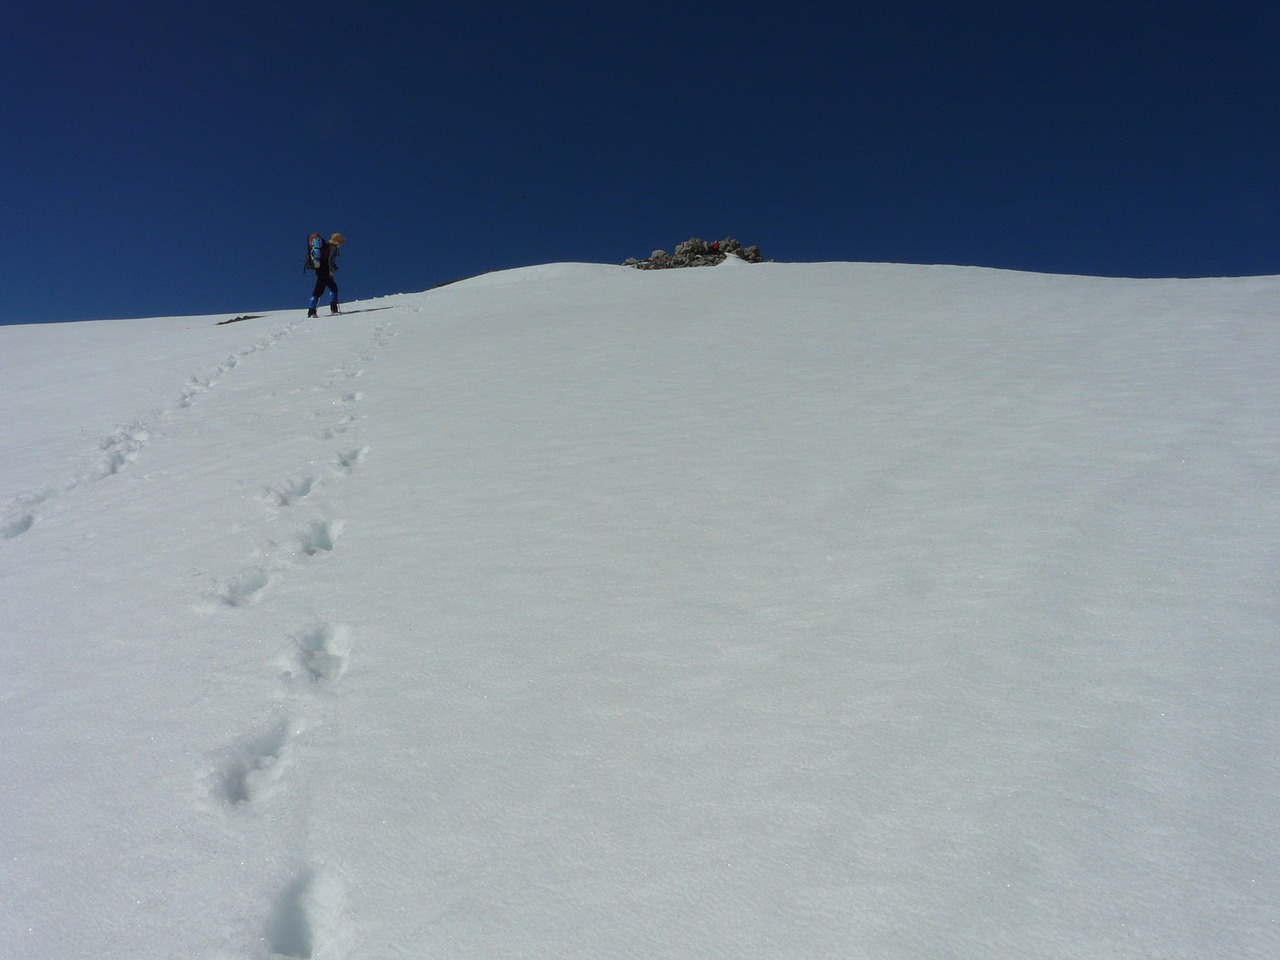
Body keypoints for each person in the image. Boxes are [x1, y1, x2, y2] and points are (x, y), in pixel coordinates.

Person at [308, 232, 346, 316]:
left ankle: (312, 311)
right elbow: (330, 260)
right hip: (325, 271)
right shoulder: (333, 248)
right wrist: (331, 271)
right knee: (324, 289)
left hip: (320, 269)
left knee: (325, 289)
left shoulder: (327, 246)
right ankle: (313, 312)